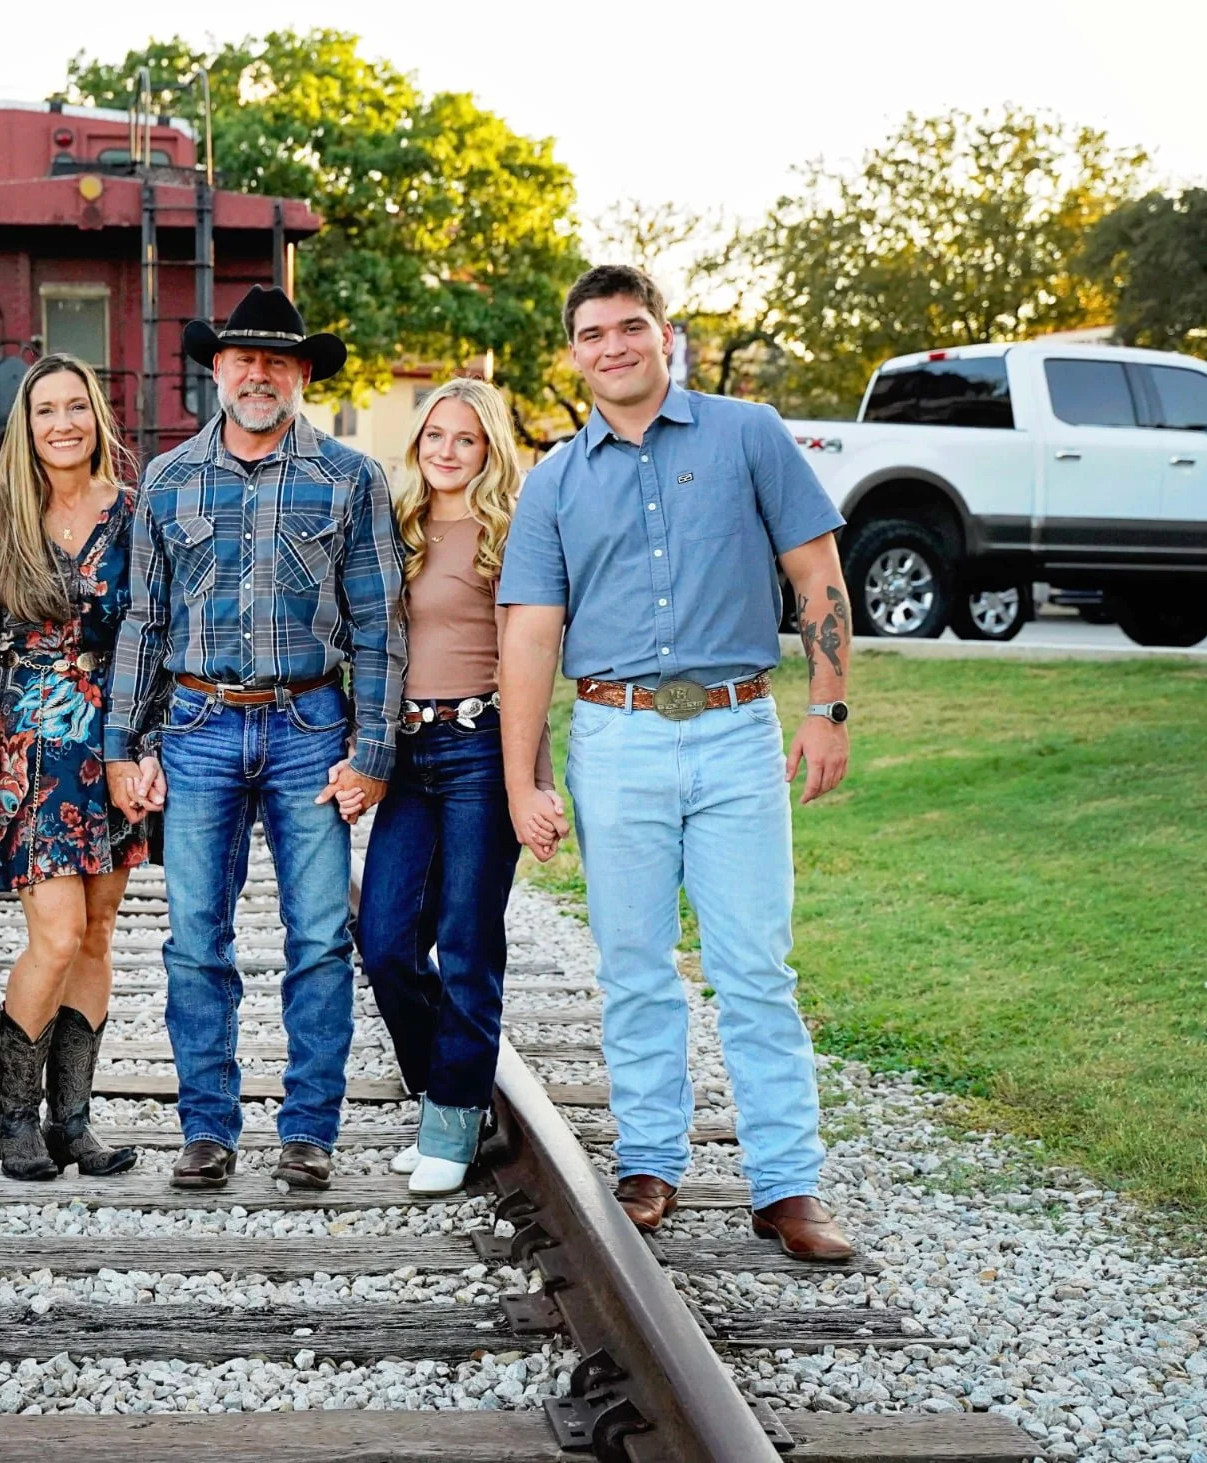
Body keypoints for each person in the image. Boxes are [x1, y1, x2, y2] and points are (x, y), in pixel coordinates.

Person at [498, 264, 856, 1261]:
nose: (611, 346)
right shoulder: (554, 480)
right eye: (591, 334)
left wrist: (826, 709)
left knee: (753, 965)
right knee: (633, 963)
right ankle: (650, 1158)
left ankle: (787, 1183)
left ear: (666, 336)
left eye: (628, 328)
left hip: (738, 730)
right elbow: (528, 634)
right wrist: (520, 775)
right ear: (571, 355)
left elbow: (814, 573)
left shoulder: (749, 434)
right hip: (615, 740)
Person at [104, 285, 406, 1193]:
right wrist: (125, 744)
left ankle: (309, 1130)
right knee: (196, 937)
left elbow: (379, 623)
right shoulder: (166, 480)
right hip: (195, 728)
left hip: (311, 727)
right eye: (243, 358)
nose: (259, 373)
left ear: (303, 372)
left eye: (278, 359)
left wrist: (374, 751)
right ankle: (208, 1129)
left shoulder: (351, 479)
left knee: (318, 937)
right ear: (217, 371)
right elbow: (144, 624)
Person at [351, 377, 567, 1197]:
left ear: (490, 450)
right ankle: (451, 1088)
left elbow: (528, 666)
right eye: (435, 434)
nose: (446, 450)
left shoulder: (511, 535)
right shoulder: (396, 528)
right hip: (408, 753)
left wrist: (532, 782)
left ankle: (452, 1111)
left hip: (481, 746)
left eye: (465, 439)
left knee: (469, 943)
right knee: (385, 940)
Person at [0, 354, 147, 1181]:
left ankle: (73, 1121)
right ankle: (13, 1116)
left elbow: (156, 639)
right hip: (27, 745)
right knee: (58, 930)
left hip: (112, 743)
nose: (63, 423)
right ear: (24, 425)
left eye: (77, 407)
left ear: (97, 418)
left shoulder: (136, 516)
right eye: (46, 411)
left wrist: (146, 747)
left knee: (99, 933)